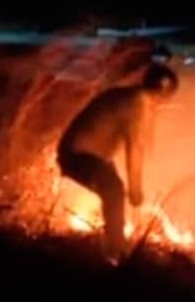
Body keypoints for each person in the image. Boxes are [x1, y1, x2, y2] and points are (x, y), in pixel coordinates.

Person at [57, 63, 179, 260]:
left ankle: (115, 242)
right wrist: (135, 189)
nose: (164, 104)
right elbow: (135, 148)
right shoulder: (139, 101)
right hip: (79, 155)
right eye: (167, 97)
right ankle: (116, 251)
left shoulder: (128, 96)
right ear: (163, 89)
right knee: (114, 190)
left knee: (112, 184)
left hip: (81, 154)